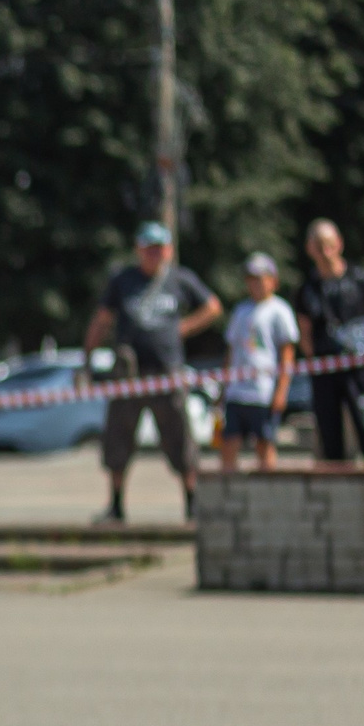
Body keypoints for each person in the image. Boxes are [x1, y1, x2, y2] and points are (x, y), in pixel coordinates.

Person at [83, 222, 223, 523]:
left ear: (169, 250)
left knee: (179, 439)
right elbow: (102, 320)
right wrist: (87, 359)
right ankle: (116, 505)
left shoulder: (179, 279)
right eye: (149, 248)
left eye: (159, 248)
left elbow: (213, 307)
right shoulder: (123, 280)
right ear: (138, 250)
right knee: (118, 440)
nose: (154, 254)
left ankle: (192, 502)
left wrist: (183, 328)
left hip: (166, 372)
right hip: (129, 375)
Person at [292, 218, 364, 464]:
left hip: (359, 366)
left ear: (339, 244)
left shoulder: (360, 278)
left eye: (328, 243)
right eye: (318, 245)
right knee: (330, 437)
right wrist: (315, 359)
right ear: (310, 249)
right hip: (325, 369)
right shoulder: (308, 289)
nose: (324, 251)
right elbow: (305, 332)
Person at [218, 253, 298, 473]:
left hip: (263, 391)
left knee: (264, 443)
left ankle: (267, 491)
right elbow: (231, 350)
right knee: (229, 442)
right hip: (237, 390)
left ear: (273, 280)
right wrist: (224, 388)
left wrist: (281, 390)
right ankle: (228, 491)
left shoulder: (279, 310)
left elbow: (287, 354)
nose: (255, 284)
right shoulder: (241, 310)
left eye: (261, 278)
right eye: (251, 279)